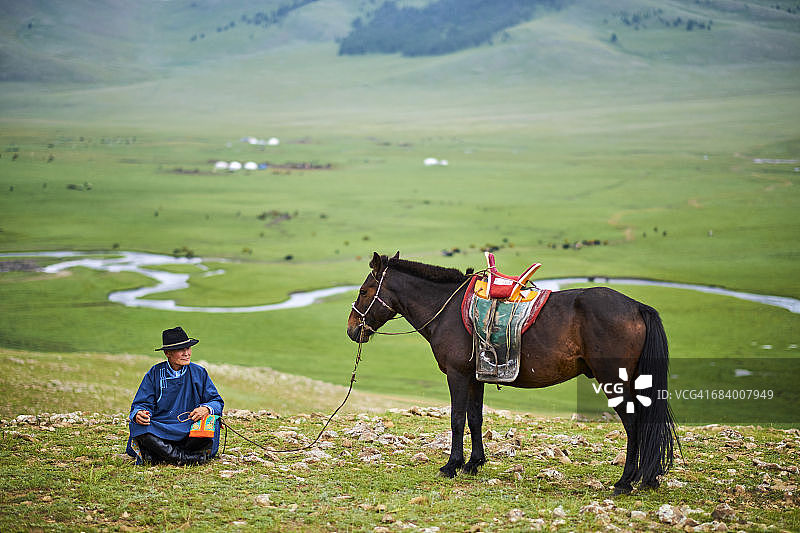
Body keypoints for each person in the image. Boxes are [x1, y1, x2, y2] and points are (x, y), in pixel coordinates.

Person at [126, 326, 224, 465]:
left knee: (210, 422)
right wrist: (140, 413)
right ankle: (184, 458)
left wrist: (206, 409)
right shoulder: (154, 373)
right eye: (180, 349)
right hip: (162, 426)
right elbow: (141, 403)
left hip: (189, 424)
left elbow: (216, 401)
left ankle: (160, 454)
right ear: (167, 353)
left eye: (188, 348)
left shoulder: (199, 372)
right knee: (138, 425)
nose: (187, 353)